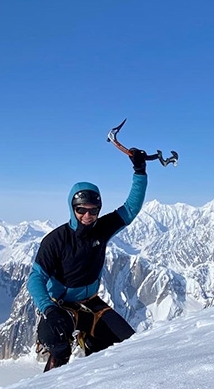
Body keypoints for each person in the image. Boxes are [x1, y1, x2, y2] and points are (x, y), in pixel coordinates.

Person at [27, 147, 148, 371]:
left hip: (91, 303)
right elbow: (35, 278)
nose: (87, 216)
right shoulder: (56, 240)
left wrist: (139, 171)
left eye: (93, 211)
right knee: (58, 343)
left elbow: (131, 208)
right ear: (72, 209)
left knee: (130, 343)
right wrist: (49, 309)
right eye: (81, 210)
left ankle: (90, 346)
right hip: (61, 306)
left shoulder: (101, 230)